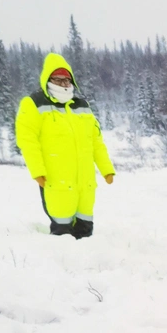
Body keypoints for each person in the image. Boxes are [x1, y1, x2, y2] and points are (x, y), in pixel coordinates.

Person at [16, 52, 115, 239]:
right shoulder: (33, 103)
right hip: (56, 181)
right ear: (48, 79)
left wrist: (106, 169)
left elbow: (96, 141)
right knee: (62, 233)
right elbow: (27, 140)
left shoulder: (82, 106)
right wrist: (37, 171)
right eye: (58, 80)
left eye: (66, 80)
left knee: (86, 230)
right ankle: (64, 266)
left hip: (85, 184)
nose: (63, 84)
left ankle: (87, 267)